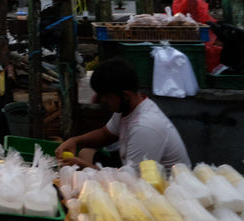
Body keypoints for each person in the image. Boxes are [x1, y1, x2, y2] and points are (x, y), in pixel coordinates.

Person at [55, 57, 190, 169]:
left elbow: (133, 183)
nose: (102, 101)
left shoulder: (145, 127)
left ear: (125, 95)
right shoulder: (126, 108)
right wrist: (75, 141)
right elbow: (106, 134)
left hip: (158, 189)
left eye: (106, 97)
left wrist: (83, 166)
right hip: (130, 169)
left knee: (82, 168)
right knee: (85, 152)